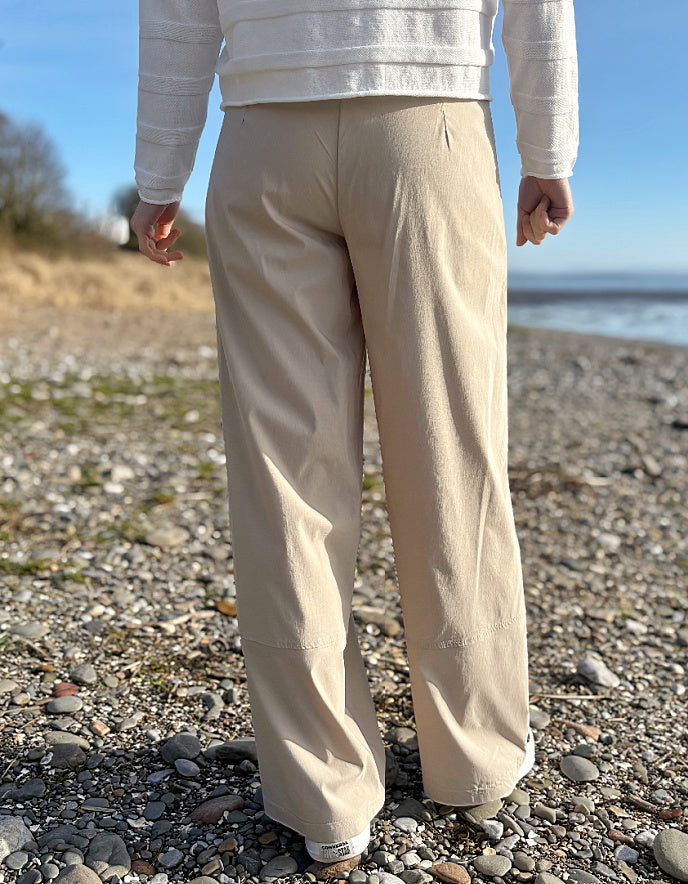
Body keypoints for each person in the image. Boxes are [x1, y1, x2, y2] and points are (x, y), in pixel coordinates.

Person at [131, 0, 578, 865]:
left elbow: (177, 15)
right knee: (450, 450)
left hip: (264, 136)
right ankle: (475, 755)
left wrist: (160, 172)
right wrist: (547, 151)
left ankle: (322, 790)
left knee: (284, 467)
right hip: (429, 126)